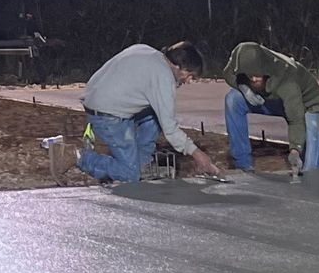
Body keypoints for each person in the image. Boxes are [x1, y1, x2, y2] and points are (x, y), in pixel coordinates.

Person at [75, 40, 218, 184]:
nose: (189, 81)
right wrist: (198, 154)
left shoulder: (145, 50)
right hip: (106, 115)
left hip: (95, 99)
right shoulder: (163, 77)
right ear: (178, 66)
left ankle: (141, 164)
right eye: (190, 75)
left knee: (154, 116)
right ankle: (79, 158)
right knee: (129, 174)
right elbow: (171, 131)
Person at [220, 41, 319, 175]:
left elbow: (295, 120)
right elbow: (228, 74)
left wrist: (295, 150)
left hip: (304, 104)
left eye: (257, 75)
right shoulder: (239, 57)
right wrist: (244, 88)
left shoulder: (286, 79)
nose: (253, 79)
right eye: (248, 75)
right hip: (272, 99)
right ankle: (243, 165)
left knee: (309, 170)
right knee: (233, 99)